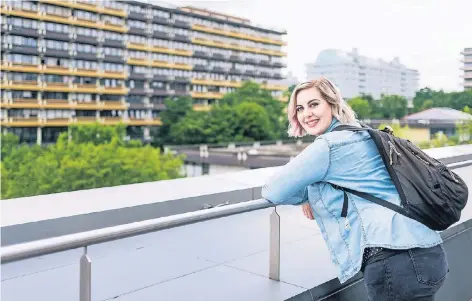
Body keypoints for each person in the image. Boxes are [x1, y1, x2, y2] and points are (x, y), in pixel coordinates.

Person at [261, 77, 449, 301]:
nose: (306, 114)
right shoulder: (361, 134)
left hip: (393, 259)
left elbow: (274, 190)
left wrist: (305, 193)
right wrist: (308, 194)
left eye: (314, 104)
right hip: (429, 252)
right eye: (300, 108)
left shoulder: (328, 146)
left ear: (332, 103)